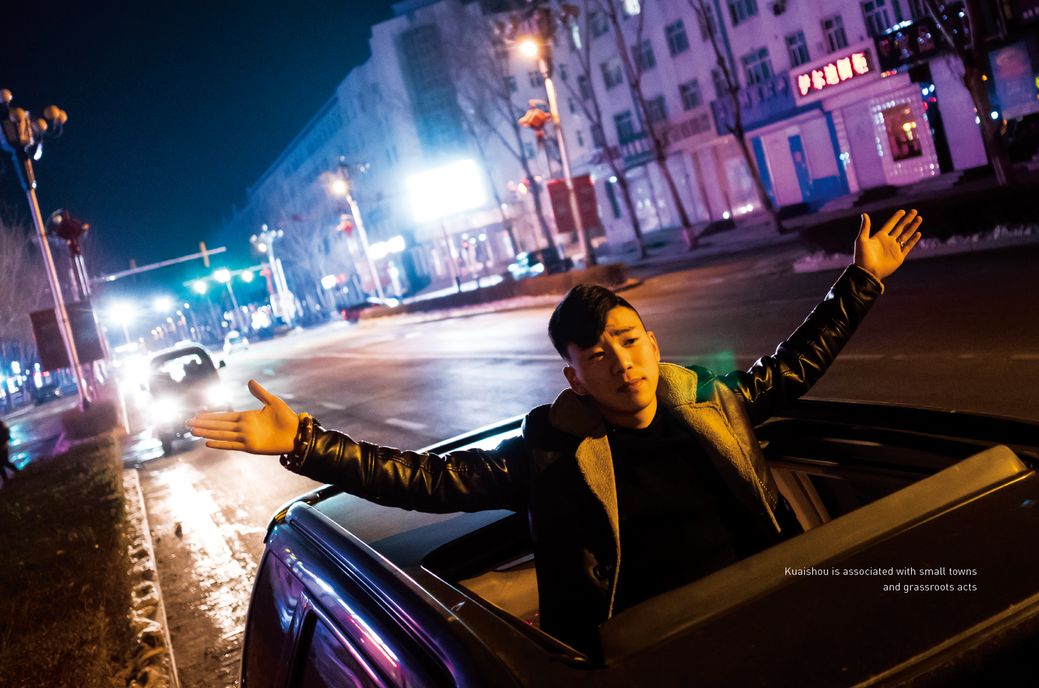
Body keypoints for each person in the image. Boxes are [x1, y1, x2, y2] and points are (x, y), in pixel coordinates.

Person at [189, 209, 923, 655]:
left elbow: (793, 367)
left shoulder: (713, 403)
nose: (622, 363)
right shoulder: (546, 456)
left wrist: (862, 279)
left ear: (651, 341)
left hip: (767, 609)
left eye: (630, 341)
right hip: (642, 653)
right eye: (597, 355)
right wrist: (304, 442)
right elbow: (426, 481)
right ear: (574, 376)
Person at [0, 416, 18, 485]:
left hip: (3, 446)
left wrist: (5, 442)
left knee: (4, 462)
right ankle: (6, 480)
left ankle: (17, 473)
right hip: (3, 445)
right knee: (3, 464)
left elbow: (6, 432)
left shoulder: (1, 424)